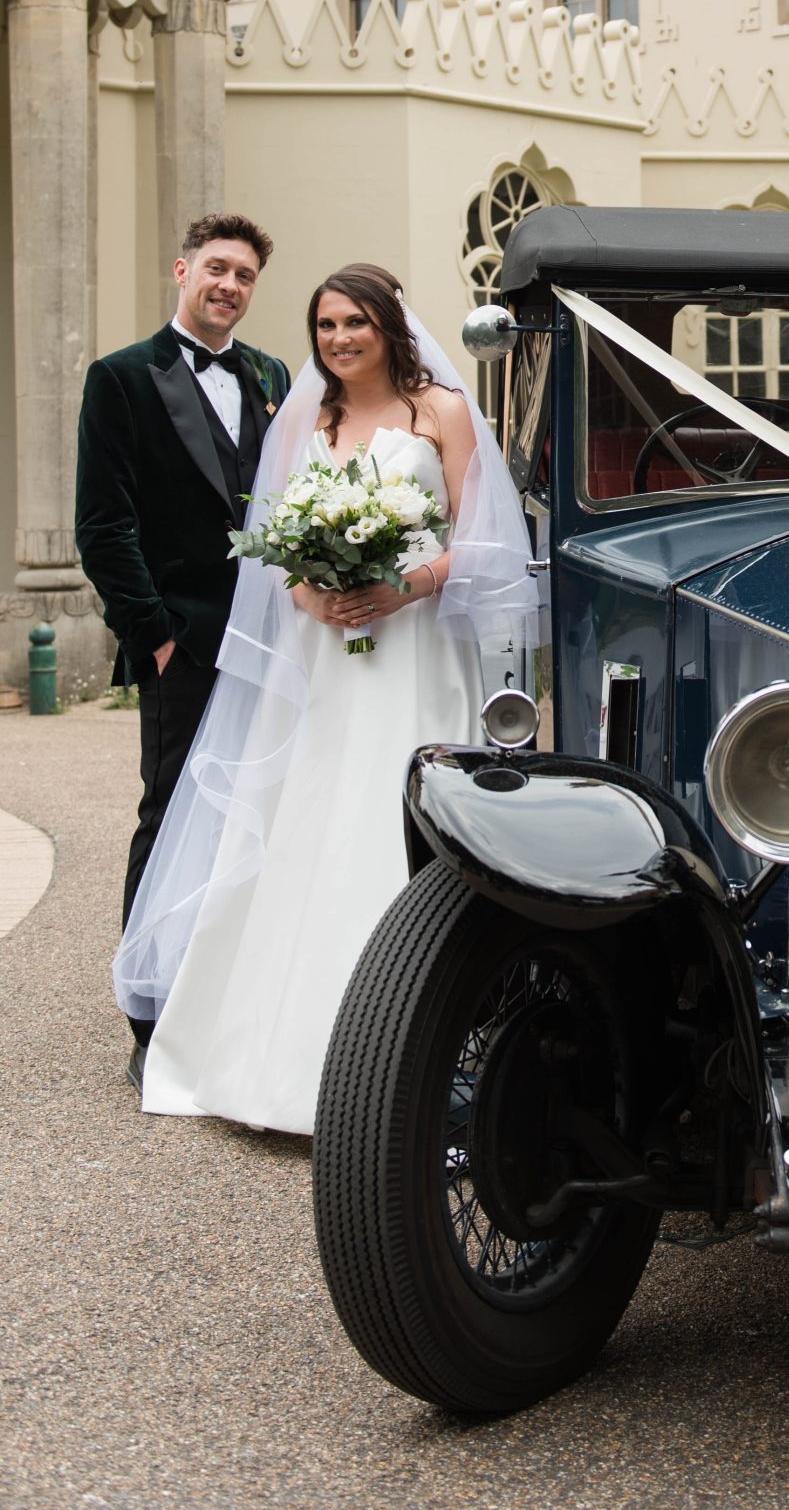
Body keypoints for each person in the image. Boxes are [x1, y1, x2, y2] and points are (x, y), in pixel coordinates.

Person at [112, 264, 541, 1136]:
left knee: (399, 821)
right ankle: (275, 1063)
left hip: (416, 650)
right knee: (309, 819)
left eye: (355, 323)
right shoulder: (306, 417)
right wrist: (312, 593)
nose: (339, 340)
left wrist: (404, 586)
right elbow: (270, 544)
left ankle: (414, 1059)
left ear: (388, 327)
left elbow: (489, 540)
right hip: (325, 657)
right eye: (325, 326)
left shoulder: (443, 413)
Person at [74, 214, 291, 1093]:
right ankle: (150, 1015)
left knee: (256, 818)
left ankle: (230, 996)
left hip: (277, 639)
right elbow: (103, 526)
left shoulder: (273, 376)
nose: (229, 286)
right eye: (216, 268)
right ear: (182, 270)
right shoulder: (122, 379)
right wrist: (155, 636)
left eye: (243, 275)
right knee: (169, 818)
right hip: (186, 643)